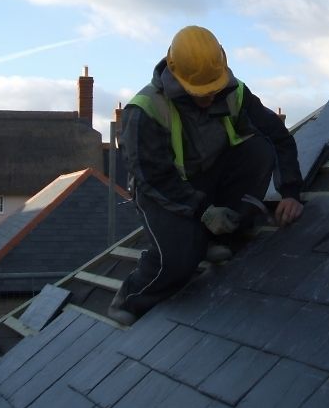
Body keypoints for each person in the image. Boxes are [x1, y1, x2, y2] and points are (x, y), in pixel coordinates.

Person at [108, 25, 304, 326]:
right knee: (180, 261)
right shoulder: (145, 110)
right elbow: (154, 178)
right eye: (201, 93)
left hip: (210, 180)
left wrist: (291, 191)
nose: (209, 98)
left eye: (213, 90)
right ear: (176, 77)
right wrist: (204, 211)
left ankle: (216, 237)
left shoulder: (234, 92)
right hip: (164, 194)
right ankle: (132, 296)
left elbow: (277, 137)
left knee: (259, 148)